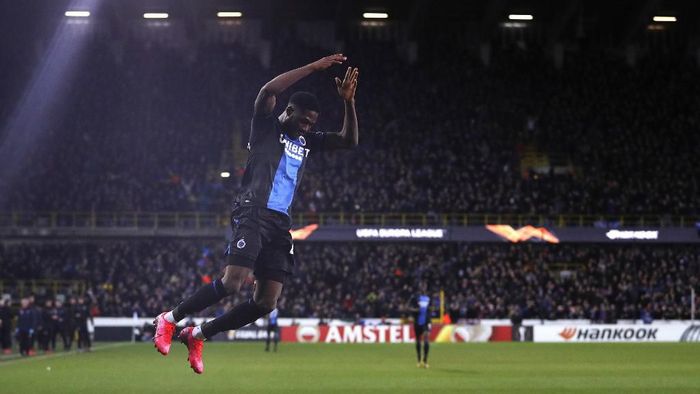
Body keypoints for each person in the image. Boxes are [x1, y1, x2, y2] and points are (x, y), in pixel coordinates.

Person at [153, 54, 359, 374]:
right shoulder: (265, 128)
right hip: (253, 210)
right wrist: (312, 68)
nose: (306, 127)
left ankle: (197, 335)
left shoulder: (305, 141)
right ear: (288, 112)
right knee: (233, 282)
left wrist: (349, 103)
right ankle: (169, 318)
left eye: (311, 124)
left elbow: (349, 141)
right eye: (303, 120)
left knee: (266, 303)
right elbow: (267, 91)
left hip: (280, 224)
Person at [409, 283, 432, 368]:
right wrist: (416, 310)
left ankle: (425, 360)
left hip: (427, 321)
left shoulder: (429, 298)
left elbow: (433, 307)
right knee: (418, 340)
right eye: (422, 286)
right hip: (418, 321)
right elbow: (408, 307)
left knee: (426, 340)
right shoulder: (415, 298)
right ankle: (419, 360)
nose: (423, 288)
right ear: (420, 288)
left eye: (425, 286)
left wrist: (430, 309)